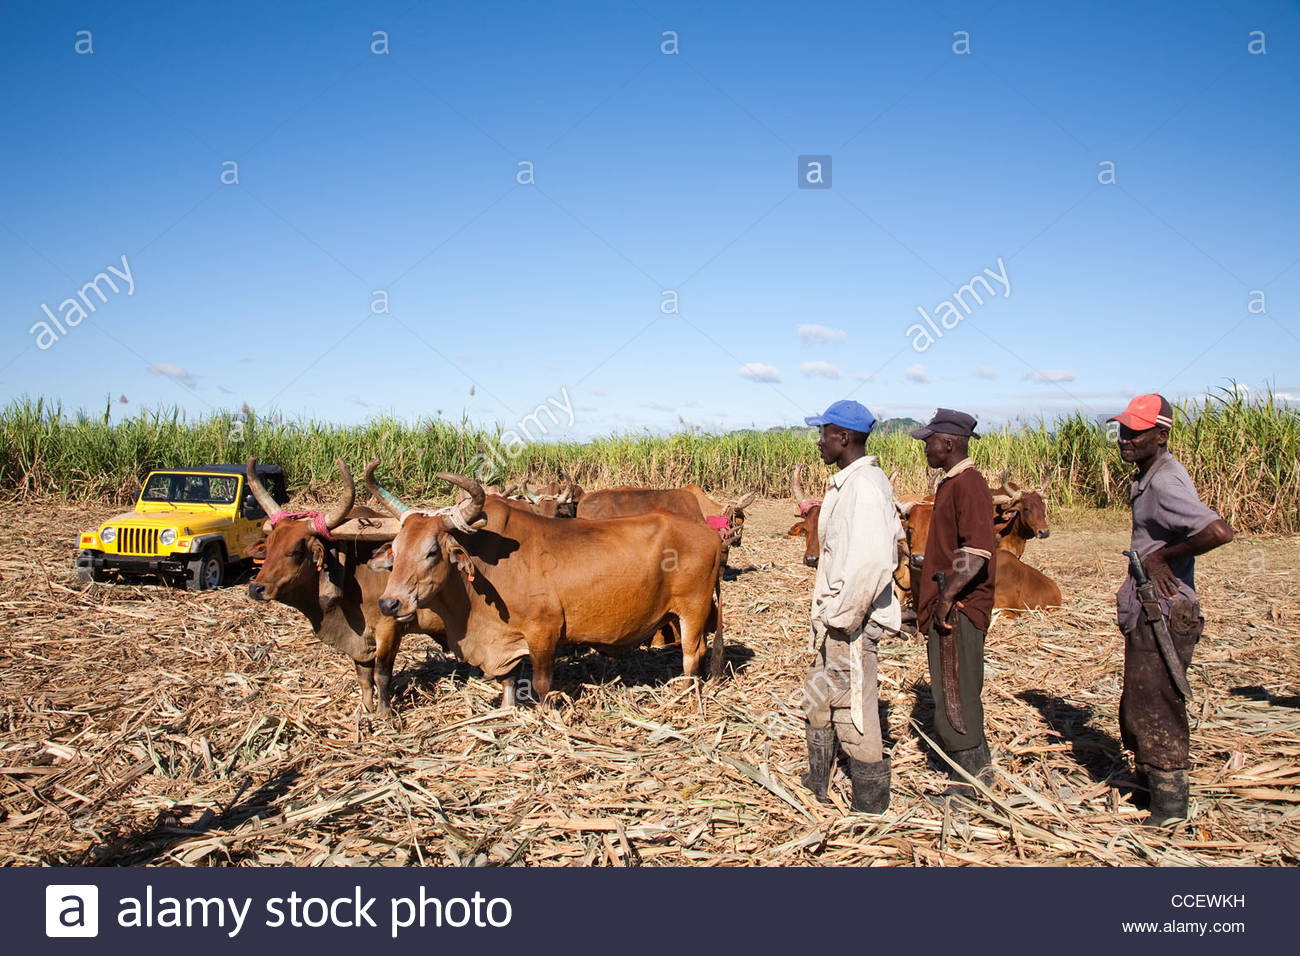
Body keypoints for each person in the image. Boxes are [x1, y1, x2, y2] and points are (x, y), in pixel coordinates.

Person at [1110, 394, 1233, 826]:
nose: (1126, 439)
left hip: (1163, 610)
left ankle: (1169, 806)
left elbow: (1217, 530)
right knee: (1142, 697)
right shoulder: (1149, 476)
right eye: (1123, 430)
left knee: (1157, 702)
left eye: (1137, 432)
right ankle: (1149, 785)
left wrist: (1163, 559)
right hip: (1150, 607)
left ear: (1161, 435)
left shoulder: (1163, 481)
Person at [799, 400, 902, 813]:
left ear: (843, 438)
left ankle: (869, 804)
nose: (819, 442)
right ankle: (817, 778)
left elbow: (871, 564)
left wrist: (842, 619)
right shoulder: (848, 482)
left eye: (823, 434)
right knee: (817, 698)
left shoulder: (864, 488)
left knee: (855, 711)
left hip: (850, 624)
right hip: (834, 618)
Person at [910, 408, 998, 798]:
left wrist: (947, 598)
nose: (925, 448)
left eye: (929, 441)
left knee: (955, 687)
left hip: (958, 607)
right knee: (955, 686)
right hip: (949, 604)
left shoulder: (969, 485)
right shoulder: (952, 484)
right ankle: (978, 769)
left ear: (948, 443)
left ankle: (967, 786)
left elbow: (976, 552)